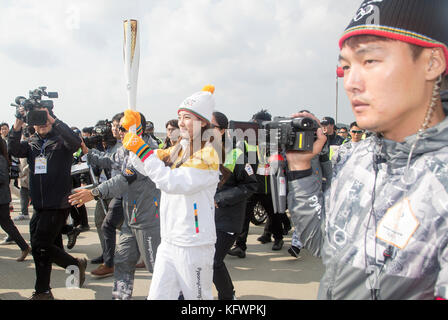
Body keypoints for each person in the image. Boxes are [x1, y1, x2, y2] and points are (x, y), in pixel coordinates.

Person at [286, 0, 448, 300]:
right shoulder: (358, 157)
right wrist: (301, 169)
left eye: (369, 61)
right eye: (345, 67)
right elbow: (322, 243)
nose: (351, 82)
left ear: (432, 63)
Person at [121, 85, 221, 300]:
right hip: (169, 239)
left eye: (188, 117)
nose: (181, 122)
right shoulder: (179, 147)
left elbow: (171, 183)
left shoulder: (208, 154)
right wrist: (135, 134)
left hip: (193, 243)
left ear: (203, 122)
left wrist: (141, 149)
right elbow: (145, 164)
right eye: (180, 117)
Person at [70, 112, 161, 299]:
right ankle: (120, 297)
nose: (118, 131)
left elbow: (124, 179)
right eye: (118, 128)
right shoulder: (125, 147)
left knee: (158, 269)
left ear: (137, 128)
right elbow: (109, 160)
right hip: (131, 218)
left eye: (122, 128)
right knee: (122, 262)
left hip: (148, 220)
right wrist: (88, 152)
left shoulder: (147, 151)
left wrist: (95, 192)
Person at [8, 106, 87, 300]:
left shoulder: (61, 140)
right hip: (40, 205)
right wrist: (18, 120)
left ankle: (73, 266)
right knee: (42, 250)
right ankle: (44, 290)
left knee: (39, 245)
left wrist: (52, 118)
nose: (41, 124)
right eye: (37, 120)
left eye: (44, 120)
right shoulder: (33, 142)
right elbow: (14, 149)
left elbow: (76, 143)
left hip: (57, 203)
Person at [211, 111, 258, 300]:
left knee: (213, 261)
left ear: (222, 131)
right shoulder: (198, 152)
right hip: (202, 219)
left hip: (226, 220)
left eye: (211, 126)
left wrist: (220, 199)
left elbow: (250, 185)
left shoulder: (236, 154)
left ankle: (228, 296)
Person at [0, 138, 31, 262]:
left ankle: (25, 247)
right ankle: (25, 247)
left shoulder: (1, 159)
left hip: (1, 198)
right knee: (7, 224)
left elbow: (2, 178)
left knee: (7, 224)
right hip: (2, 197)